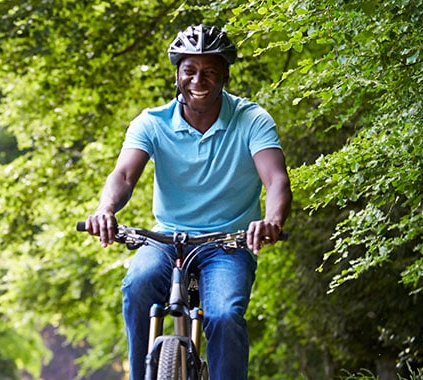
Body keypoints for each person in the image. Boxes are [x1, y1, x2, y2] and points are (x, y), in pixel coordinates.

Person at [82, 25, 292, 380]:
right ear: (177, 74)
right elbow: (123, 176)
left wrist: (271, 219)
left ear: (225, 75)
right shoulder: (151, 122)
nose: (199, 79)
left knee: (224, 315)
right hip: (167, 240)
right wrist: (106, 209)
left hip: (229, 243)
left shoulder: (252, 119)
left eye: (209, 71)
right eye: (190, 70)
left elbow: (276, 180)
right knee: (137, 285)